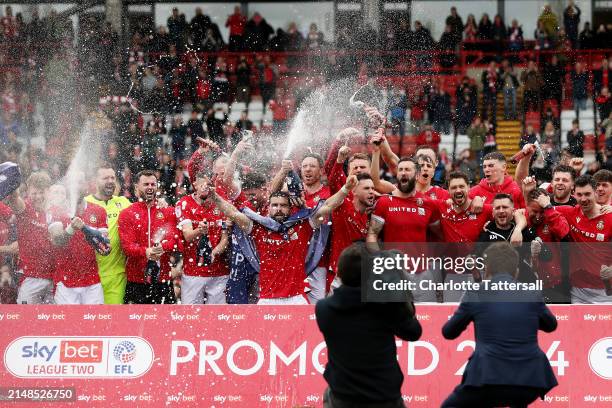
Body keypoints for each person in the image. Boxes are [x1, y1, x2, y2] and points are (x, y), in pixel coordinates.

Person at [441, 242, 558, 407]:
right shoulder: (531, 293)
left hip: (487, 378)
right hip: (529, 379)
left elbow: (448, 332)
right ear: (516, 272)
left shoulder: (477, 293)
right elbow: (551, 325)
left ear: (487, 270)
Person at [211, 175, 358, 305]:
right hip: (267, 299)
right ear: (268, 208)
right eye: (275, 205)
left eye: (283, 205)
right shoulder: (258, 228)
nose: (279, 209)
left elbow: (327, 206)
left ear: (290, 209)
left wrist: (346, 188)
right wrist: (214, 196)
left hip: (296, 298)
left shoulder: (303, 226)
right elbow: (233, 213)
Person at [316, 243, 421, 408]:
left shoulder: (323, 309)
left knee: (329, 394)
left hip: (343, 395)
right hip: (383, 396)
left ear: (340, 274)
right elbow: (413, 332)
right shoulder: (384, 306)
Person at [118, 170, 178, 304]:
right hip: (136, 281)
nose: (150, 187)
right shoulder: (127, 213)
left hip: (163, 281)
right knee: (135, 323)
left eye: (153, 184)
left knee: (166, 323)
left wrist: (162, 248)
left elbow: (175, 239)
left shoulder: (168, 211)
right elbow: (127, 246)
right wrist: (146, 252)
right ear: (136, 187)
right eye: (146, 184)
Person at [554, 175, 612, 303]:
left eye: (587, 194)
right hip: (578, 292)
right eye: (579, 195)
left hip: (606, 293)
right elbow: (537, 207)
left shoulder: (610, 218)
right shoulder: (570, 213)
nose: (583, 199)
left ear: (596, 192)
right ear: (574, 194)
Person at [176, 171, 230, 304]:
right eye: (203, 185)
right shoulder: (184, 203)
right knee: (191, 319)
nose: (207, 188)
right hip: (193, 273)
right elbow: (188, 236)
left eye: (210, 185)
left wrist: (214, 252)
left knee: (218, 319)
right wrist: (199, 231)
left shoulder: (222, 202)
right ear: (195, 184)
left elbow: (225, 238)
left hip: (219, 273)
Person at [3, 172, 55, 304]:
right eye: (34, 193)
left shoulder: (57, 211)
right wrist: (13, 186)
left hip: (55, 278)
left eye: (41, 192)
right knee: (26, 322)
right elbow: (15, 200)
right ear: (28, 191)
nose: (38, 197)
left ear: (49, 191)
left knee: (55, 322)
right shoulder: (26, 208)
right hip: (30, 278)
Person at [48, 195, 108, 305]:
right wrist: (71, 229)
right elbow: (57, 242)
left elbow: (105, 249)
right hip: (65, 282)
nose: (78, 184)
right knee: (68, 321)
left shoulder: (98, 210)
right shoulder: (56, 210)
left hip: (92, 281)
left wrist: (85, 228)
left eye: (81, 181)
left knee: (95, 321)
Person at [85, 165, 131, 304]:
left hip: (117, 276)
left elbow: (141, 214)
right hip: (90, 277)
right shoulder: (85, 203)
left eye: (113, 178)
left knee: (115, 321)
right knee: (92, 321)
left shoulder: (123, 203)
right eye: (105, 178)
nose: (110, 181)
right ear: (95, 181)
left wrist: (160, 203)